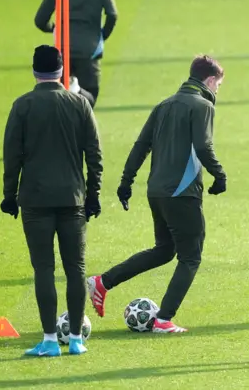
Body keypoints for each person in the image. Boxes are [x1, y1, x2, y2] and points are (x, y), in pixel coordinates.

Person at [87, 55, 227, 333]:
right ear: (210, 81)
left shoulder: (163, 105)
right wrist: (220, 175)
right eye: (219, 85)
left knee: (165, 250)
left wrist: (126, 182)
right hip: (181, 193)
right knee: (190, 257)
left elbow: (141, 145)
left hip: (156, 191)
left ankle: (102, 282)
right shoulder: (203, 106)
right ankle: (163, 319)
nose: (218, 90)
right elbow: (203, 146)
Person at [1, 45, 103, 356]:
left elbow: (12, 156)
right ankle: (75, 340)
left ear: (34, 71)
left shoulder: (22, 105)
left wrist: (9, 195)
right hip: (73, 199)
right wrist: (94, 194)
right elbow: (94, 154)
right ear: (61, 71)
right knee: (75, 268)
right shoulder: (80, 104)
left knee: (43, 268)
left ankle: (48, 340)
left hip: (35, 199)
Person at [35, 0, 118, 108]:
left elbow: (40, 20)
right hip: (89, 50)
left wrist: (54, 28)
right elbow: (112, 15)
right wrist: (102, 35)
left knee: (59, 101)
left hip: (62, 49)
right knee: (89, 99)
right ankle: (77, 90)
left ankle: (74, 91)